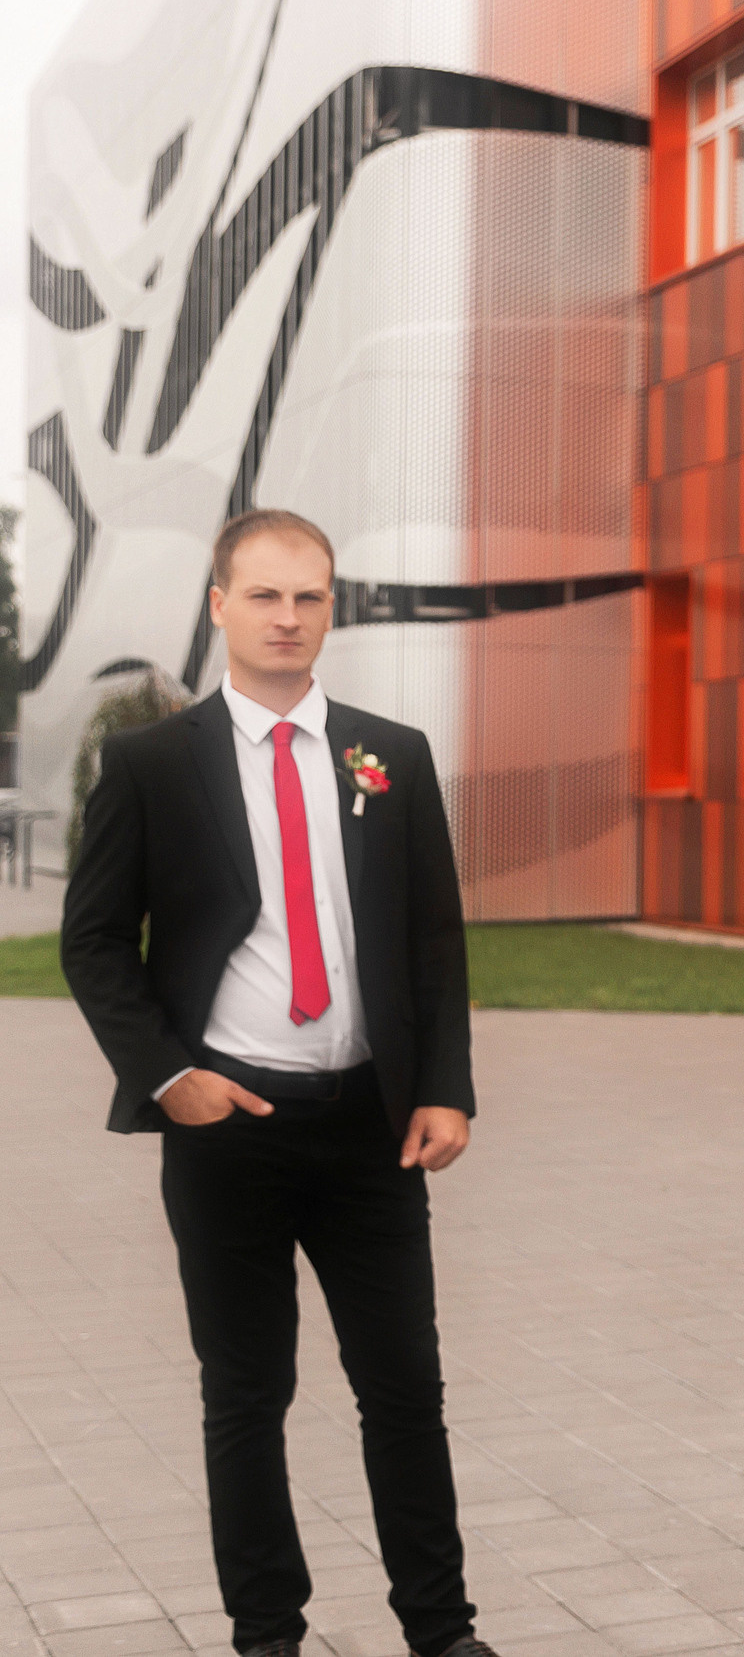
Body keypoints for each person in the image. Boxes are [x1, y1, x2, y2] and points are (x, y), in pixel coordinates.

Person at [59, 509, 494, 1657]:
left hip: (370, 1131)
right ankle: (268, 1635)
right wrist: (167, 1078)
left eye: (309, 597)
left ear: (331, 607)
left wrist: (444, 1086)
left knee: (405, 1393)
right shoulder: (154, 765)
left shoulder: (388, 755)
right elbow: (94, 940)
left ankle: (442, 1631)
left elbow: (434, 939)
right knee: (247, 1397)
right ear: (219, 607)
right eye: (265, 596)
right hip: (227, 1127)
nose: (288, 618)